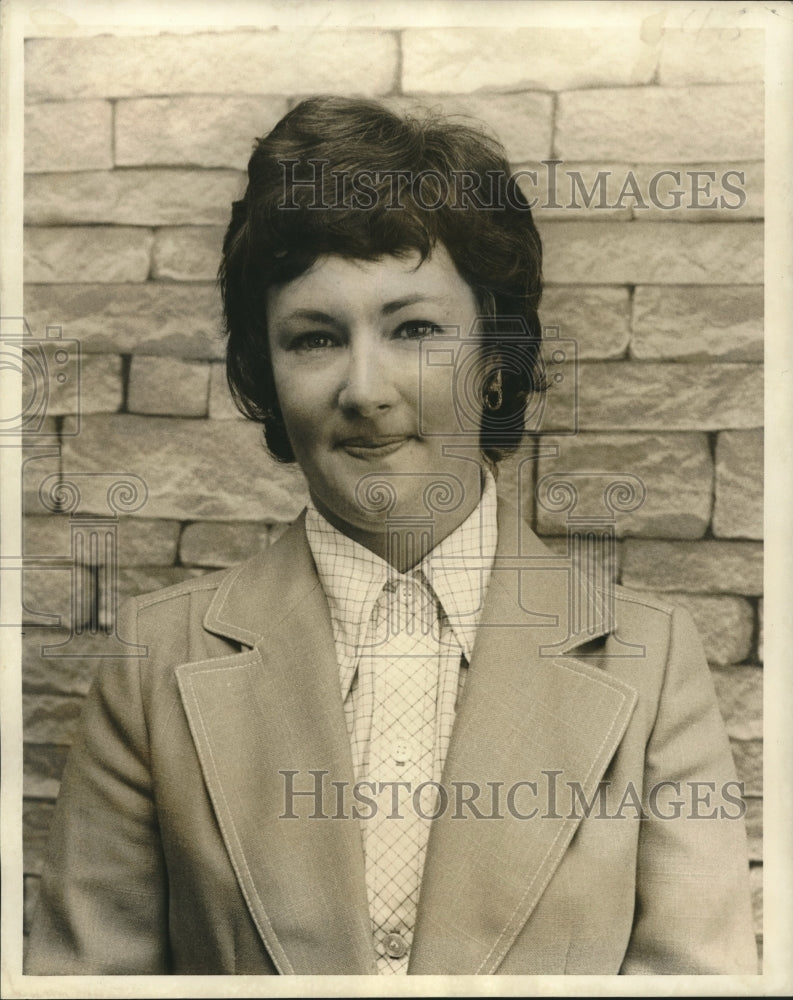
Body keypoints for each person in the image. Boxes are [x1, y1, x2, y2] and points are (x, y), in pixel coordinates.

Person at [26, 96, 757, 976]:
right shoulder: (155, 663)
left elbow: (698, 980)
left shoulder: (649, 659)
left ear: (493, 359)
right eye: (314, 338)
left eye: (414, 329)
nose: (364, 389)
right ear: (264, 369)